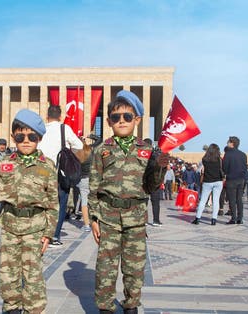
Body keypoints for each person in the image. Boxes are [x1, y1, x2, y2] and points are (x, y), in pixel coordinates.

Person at [89, 90, 169, 313]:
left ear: (137, 120)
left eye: (127, 117)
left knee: (134, 268)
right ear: (109, 121)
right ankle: (105, 307)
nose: (121, 121)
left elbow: (152, 186)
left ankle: (131, 305)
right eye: (116, 117)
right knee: (105, 268)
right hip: (108, 218)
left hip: (135, 219)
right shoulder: (102, 151)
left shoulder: (146, 150)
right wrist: (93, 218)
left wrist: (160, 166)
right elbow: (94, 187)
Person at [0, 109, 58, 314]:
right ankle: (12, 308)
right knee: (8, 275)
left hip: (35, 228)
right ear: (13, 137)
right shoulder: (4, 163)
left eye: (31, 136)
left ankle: (34, 309)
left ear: (39, 138)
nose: (26, 140)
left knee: (33, 276)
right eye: (20, 136)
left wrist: (48, 234)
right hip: (10, 227)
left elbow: (53, 203)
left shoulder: (48, 167)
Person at [38, 105, 83, 247]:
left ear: (47, 116)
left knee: (42, 203)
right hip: (59, 172)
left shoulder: (41, 129)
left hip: (41, 171)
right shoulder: (64, 128)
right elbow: (79, 145)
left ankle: (41, 234)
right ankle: (54, 237)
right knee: (60, 204)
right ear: (60, 116)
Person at [192, 143, 224, 226]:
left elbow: (199, 170)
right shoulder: (219, 159)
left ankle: (197, 218)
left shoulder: (204, 159)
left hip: (207, 181)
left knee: (203, 200)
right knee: (216, 201)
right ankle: (214, 220)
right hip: (218, 181)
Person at [223, 136, 248, 224]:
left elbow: (224, 168)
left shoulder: (228, 154)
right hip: (241, 179)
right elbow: (245, 167)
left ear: (232, 143)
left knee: (232, 200)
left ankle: (233, 218)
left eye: (228, 142)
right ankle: (240, 218)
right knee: (239, 199)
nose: (227, 143)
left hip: (231, 179)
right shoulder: (243, 154)